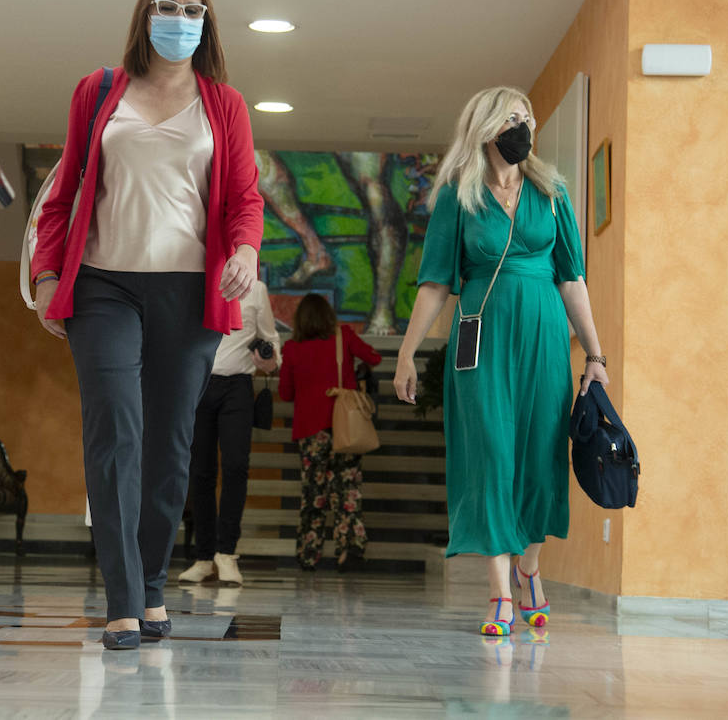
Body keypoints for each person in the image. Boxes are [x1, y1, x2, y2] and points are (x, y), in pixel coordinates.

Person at [30, 0, 264, 650]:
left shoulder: (225, 104)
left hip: (190, 291)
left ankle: (154, 586)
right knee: (116, 432)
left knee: (170, 447)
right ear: (145, 14)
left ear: (207, 24)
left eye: (194, 11)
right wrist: (48, 274)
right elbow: (65, 190)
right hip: (104, 284)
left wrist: (245, 252)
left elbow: (244, 198)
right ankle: (123, 600)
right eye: (168, 7)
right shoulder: (98, 91)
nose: (180, 20)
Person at [392, 86, 608, 637]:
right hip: (480, 339)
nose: (524, 126)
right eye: (513, 117)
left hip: (543, 337)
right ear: (487, 127)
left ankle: (529, 568)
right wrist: (408, 353)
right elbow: (436, 282)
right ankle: (498, 592)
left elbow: (572, 278)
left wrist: (597, 355)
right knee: (488, 455)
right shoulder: (457, 197)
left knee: (540, 455)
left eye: (528, 117)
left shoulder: (551, 191)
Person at [177, 280, 281, 586]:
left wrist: (271, 359)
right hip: (199, 383)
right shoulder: (196, 277)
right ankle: (204, 556)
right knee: (200, 472)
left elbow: (271, 337)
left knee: (236, 466)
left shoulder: (256, 288)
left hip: (238, 385)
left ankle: (227, 553)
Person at [278, 293, 382, 571]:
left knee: (314, 493)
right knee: (346, 489)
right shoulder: (343, 337)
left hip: (310, 432)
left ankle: (309, 554)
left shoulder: (292, 349)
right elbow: (374, 357)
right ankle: (350, 550)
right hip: (344, 427)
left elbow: (285, 393)